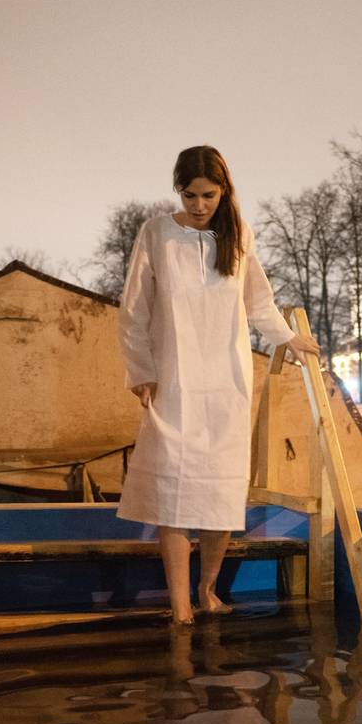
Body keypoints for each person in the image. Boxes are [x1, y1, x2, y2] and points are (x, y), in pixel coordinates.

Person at [117, 146, 320, 625]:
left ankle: (207, 590)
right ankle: (181, 605)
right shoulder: (156, 234)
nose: (199, 204)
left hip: (227, 381)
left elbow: (259, 302)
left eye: (209, 195)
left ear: (224, 191)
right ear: (178, 190)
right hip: (174, 380)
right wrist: (141, 370)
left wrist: (290, 339)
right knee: (173, 495)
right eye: (190, 194)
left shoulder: (239, 235)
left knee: (221, 497)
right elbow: (133, 310)